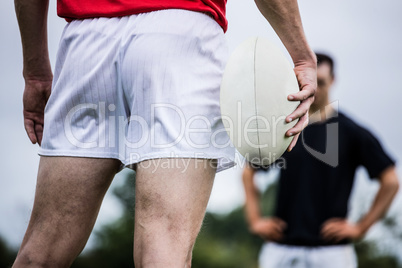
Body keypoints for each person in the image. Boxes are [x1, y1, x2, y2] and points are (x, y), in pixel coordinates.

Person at [13, 0, 316, 266]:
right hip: (180, 32)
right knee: (165, 249)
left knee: (40, 252)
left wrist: (36, 71)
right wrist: (301, 55)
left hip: (86, 41)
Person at [242, 53, 399, 268]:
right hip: (280, 249)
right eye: (308, 83)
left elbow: (390, 181)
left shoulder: (351, 132)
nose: (314, 90)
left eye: (321, 82)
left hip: (332, 253)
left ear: (333, 81)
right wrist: (255, 220)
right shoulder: (285, 128)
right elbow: (249, 171)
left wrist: (361, 227)